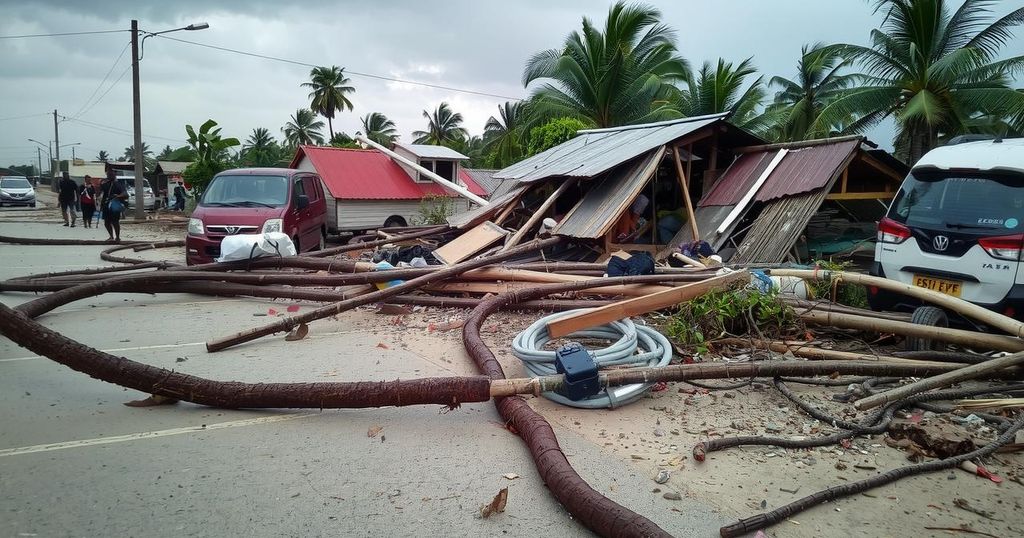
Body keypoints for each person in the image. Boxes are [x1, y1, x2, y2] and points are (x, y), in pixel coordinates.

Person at [100, 170, 127, 241]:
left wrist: (117, 196)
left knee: (115, 222)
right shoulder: (105, 184)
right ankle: (111, 236)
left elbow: (125, 194)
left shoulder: (118, 184)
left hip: (114, 205)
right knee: (106, 222)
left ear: (114, 175)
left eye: (111, 175)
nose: (109, 176)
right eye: (108, 175)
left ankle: (117, 237)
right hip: (106, 205)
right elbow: (102, 193)